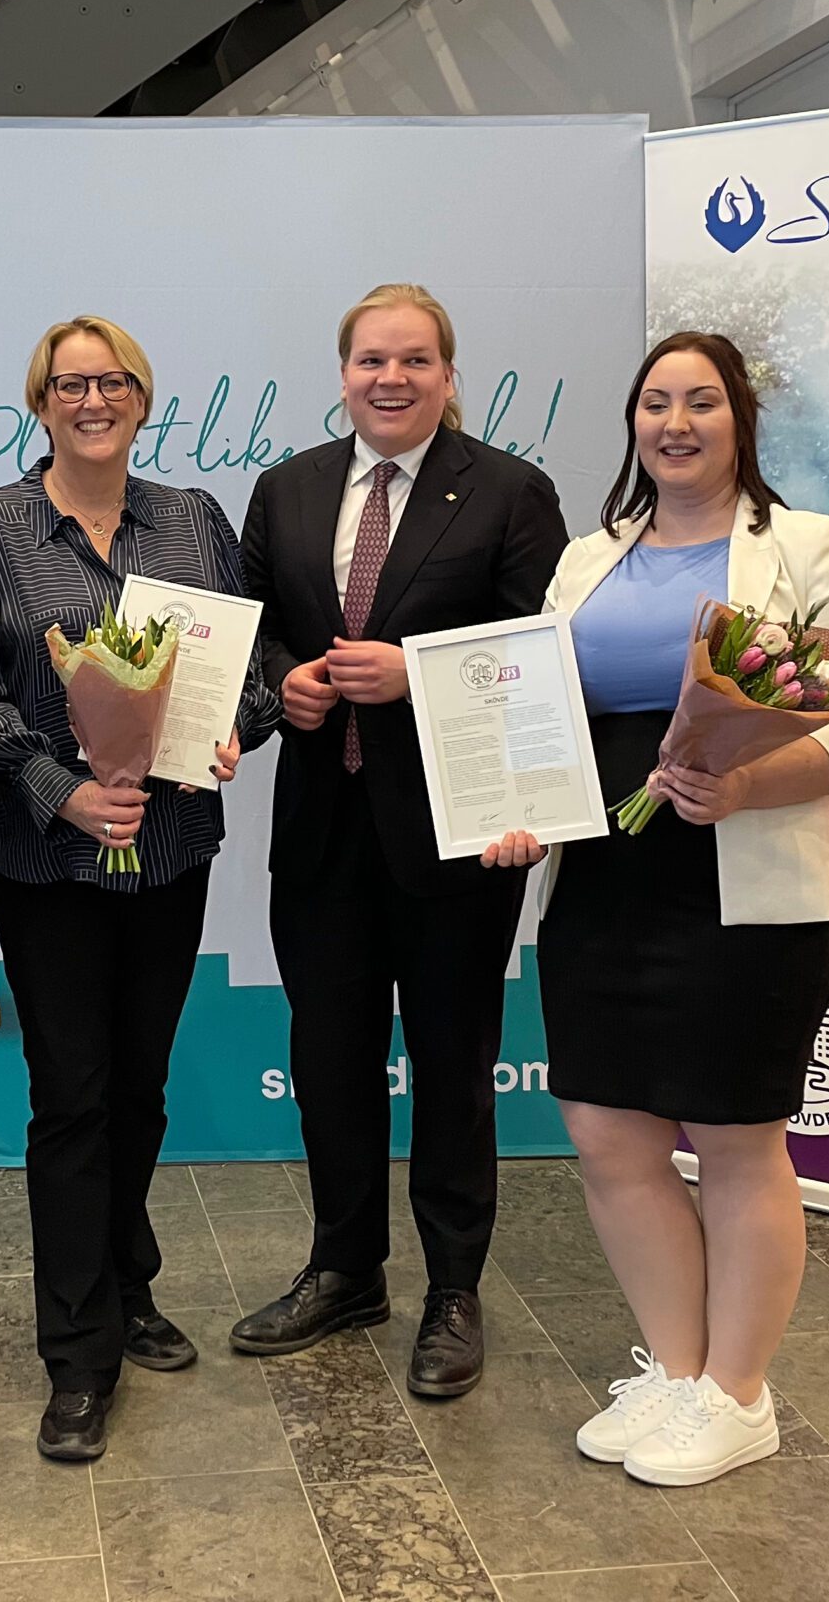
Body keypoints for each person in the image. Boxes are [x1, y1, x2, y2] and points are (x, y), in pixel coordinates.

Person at [486, 331, 829, 1489]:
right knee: (607, 1132)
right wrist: (513, 808)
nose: (676, 423)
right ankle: (675, 1374)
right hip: (603, 881)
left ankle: (738, 1392)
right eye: (656, 402)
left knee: (731, 1136)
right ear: (633, 422)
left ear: (739, 422)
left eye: (701, 403)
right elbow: (536, 716)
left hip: (748, 886)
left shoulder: (810, 550)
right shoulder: (586, 561)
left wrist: (747, 783)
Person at [0, 316, 276, 1464]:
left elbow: (254, 669)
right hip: (50, 862)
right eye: (70, 383)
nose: (93, 398)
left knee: (139, 1089)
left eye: (113, 381)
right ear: (39, 400)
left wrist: (232, 729)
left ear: (141, 397)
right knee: (70, 1099)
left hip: (172, 844)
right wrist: (58, 788)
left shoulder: (192, 519)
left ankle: (126, 1283)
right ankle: (76, 1356)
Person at [231, 284, 569, 1398]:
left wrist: (415, 678)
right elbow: (251, 634)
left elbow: (541, 662)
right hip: (321, 836)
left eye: (415, 361)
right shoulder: (284, 492)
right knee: (329, 1062)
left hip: (458, 842)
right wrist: (283, 684)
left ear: (448, 374)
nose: (391, 378)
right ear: (342, 375)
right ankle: (344, 1270)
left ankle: (453, 1290)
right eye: (371, 360)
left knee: (454, 1069)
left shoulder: (513, 493)